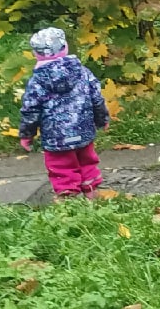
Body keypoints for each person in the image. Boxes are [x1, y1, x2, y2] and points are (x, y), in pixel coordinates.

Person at [19, 27, 110, 200]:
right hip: (83, 132)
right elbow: (96, 99)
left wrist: (27, 135)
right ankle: (92, 194)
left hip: (56, 138)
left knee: (61, 168)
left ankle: (67, 200)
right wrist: (102, 119)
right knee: (87, 162)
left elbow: (30, 111)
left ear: (36, 54)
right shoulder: (83, 72)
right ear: (65, 47)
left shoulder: (37, 81)